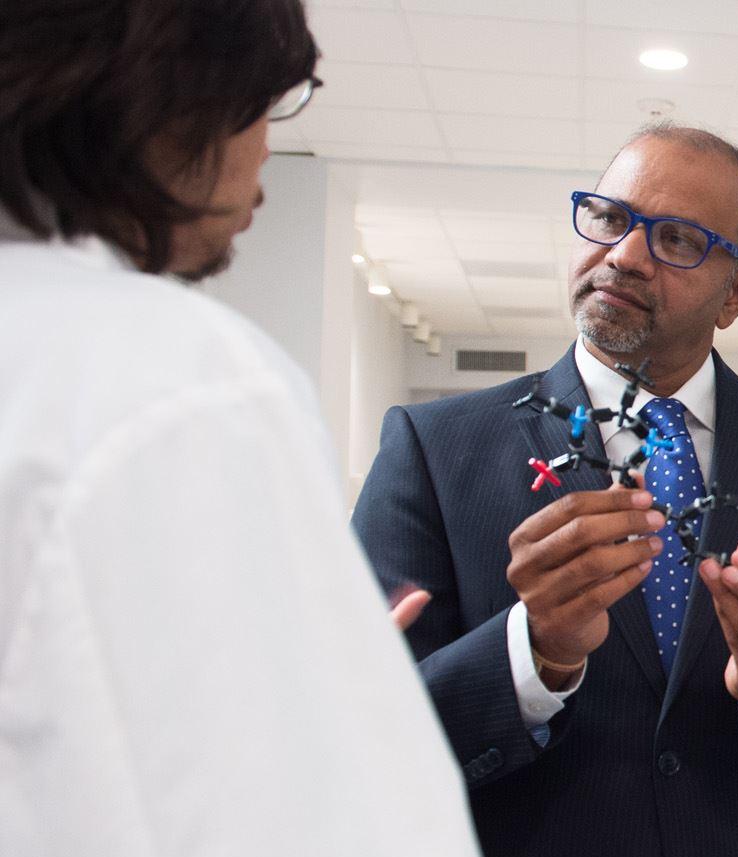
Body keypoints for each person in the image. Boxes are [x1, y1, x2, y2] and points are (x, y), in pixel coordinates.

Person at [352, 122, 738, 856]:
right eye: (608, 217)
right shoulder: (434, 447)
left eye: (677, 239)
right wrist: (533, 654)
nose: (625, 254)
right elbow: (358, 731)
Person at [0, 1, 480, 855]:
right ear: (178, 94)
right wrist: (325, 687)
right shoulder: (174, 375)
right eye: (270, 102)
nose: (264, 145)